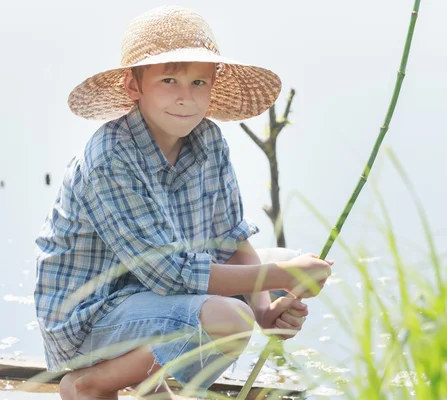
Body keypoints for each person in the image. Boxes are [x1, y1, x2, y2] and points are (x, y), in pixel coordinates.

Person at [34, 6, 333, 400]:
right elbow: (169, 274)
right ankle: (92, 383)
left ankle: (149, 382)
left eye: (197, 82)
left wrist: (266, 309)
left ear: (212, 87)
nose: (184, 97)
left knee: (280, 264)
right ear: (134, 87)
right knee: (232, 318)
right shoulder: (110, 158)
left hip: (150, 298)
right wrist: (277, 278)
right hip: (89, 321)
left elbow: (231, 239)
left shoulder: (208, 140)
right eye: (169, 80)